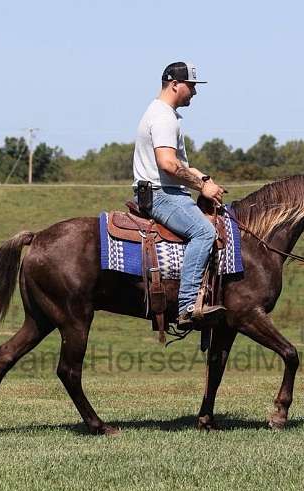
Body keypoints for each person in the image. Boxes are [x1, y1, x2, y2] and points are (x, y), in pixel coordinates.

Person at [132, 61, 226, 330]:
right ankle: (187, 306)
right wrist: (200, 187)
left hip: (166, 191)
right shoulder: (163, 117)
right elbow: (168, 164)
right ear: (175, 84)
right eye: (192, 86)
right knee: (205, 233)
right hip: (161, 194)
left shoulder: (166, 114)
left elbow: (181, 164)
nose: (194, 92)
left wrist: (205, 180)